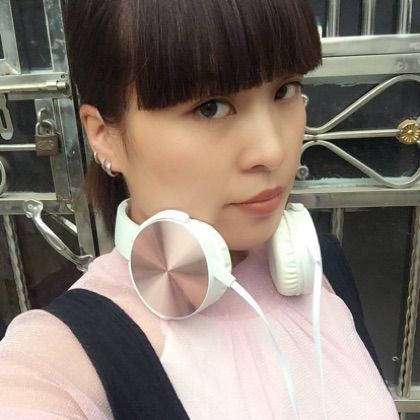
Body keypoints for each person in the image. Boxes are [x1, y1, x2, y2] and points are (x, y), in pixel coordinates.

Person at [0, 1, 399, 419]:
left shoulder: (321, 268)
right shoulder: (61, 360)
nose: (272, 150)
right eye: (211, 107)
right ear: (103, 135)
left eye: (285, 90)